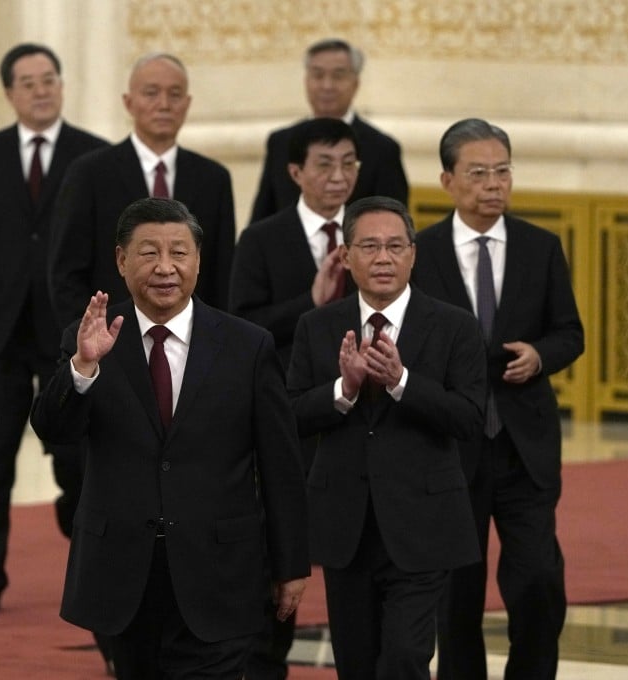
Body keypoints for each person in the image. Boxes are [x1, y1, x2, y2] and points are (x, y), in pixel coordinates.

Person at [30, 198, 311, 680]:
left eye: (179, 253)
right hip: (124, 572)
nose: (165, 267)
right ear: (122, 260)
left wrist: (291, 564)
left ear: (198, 260)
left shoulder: (247, 345)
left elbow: (280, 465)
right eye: (149, 253)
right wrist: (83, 367)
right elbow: (54, 430)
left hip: (219, 569)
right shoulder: (89, 338)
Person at [411, 118, 585, 680]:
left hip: (522, 447)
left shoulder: (540, 247)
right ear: (447, 180)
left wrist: (540, 354)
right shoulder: (422, 252)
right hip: (451, 448)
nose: (494, 184)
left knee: (538, 580)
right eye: (479, 173)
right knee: (456, 593)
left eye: (503, 171)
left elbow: (570, 332)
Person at [286, 196, 486, 679]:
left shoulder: (455, 326)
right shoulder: (317, 326)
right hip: (346, 525)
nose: (383, 258)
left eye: (395, 247)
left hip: (424, 524)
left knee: (405, 657)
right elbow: (289, 417)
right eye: (370, 246)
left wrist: (402, 382)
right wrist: (344, 389)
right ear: (346, 255)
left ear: (412, 254)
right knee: (356, 664)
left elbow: (469, 418)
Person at [0, 43, 108, 616]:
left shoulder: (93, 154)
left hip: (69, 332)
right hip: (5, 330)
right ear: (10, 93)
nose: (41, 90)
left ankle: (93, 562)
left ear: (61, 85)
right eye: (29, 82)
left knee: (76, 456)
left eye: (49, 79)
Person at [229, 117, 358, 679]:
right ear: (296, 172)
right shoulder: (262, 239)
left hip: (359, 420)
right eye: (324, 165)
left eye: (348, 164)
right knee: (278, 558)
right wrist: (310, 300)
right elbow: (241, 326)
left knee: (354, 561)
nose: (338, 177)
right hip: (285, 420)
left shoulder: (375, 235)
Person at [48, 52, 235, 331]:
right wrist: (89, 336)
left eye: (174, 94)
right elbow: (66, 274)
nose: (164, 104)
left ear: (187, 104)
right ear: (128, 102)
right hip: (110, 336)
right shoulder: (90, 173)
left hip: (193, 341)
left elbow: (222, 274)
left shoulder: (213, 178)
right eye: (151, 93)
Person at [249, 38, 408, 223]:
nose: (327, 85)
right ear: (306, 81)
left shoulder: (382, 148)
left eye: (338, 76)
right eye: (318, 75)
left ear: (356, 83)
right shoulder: (280, 142)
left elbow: (394, 224)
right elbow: (261, 220)